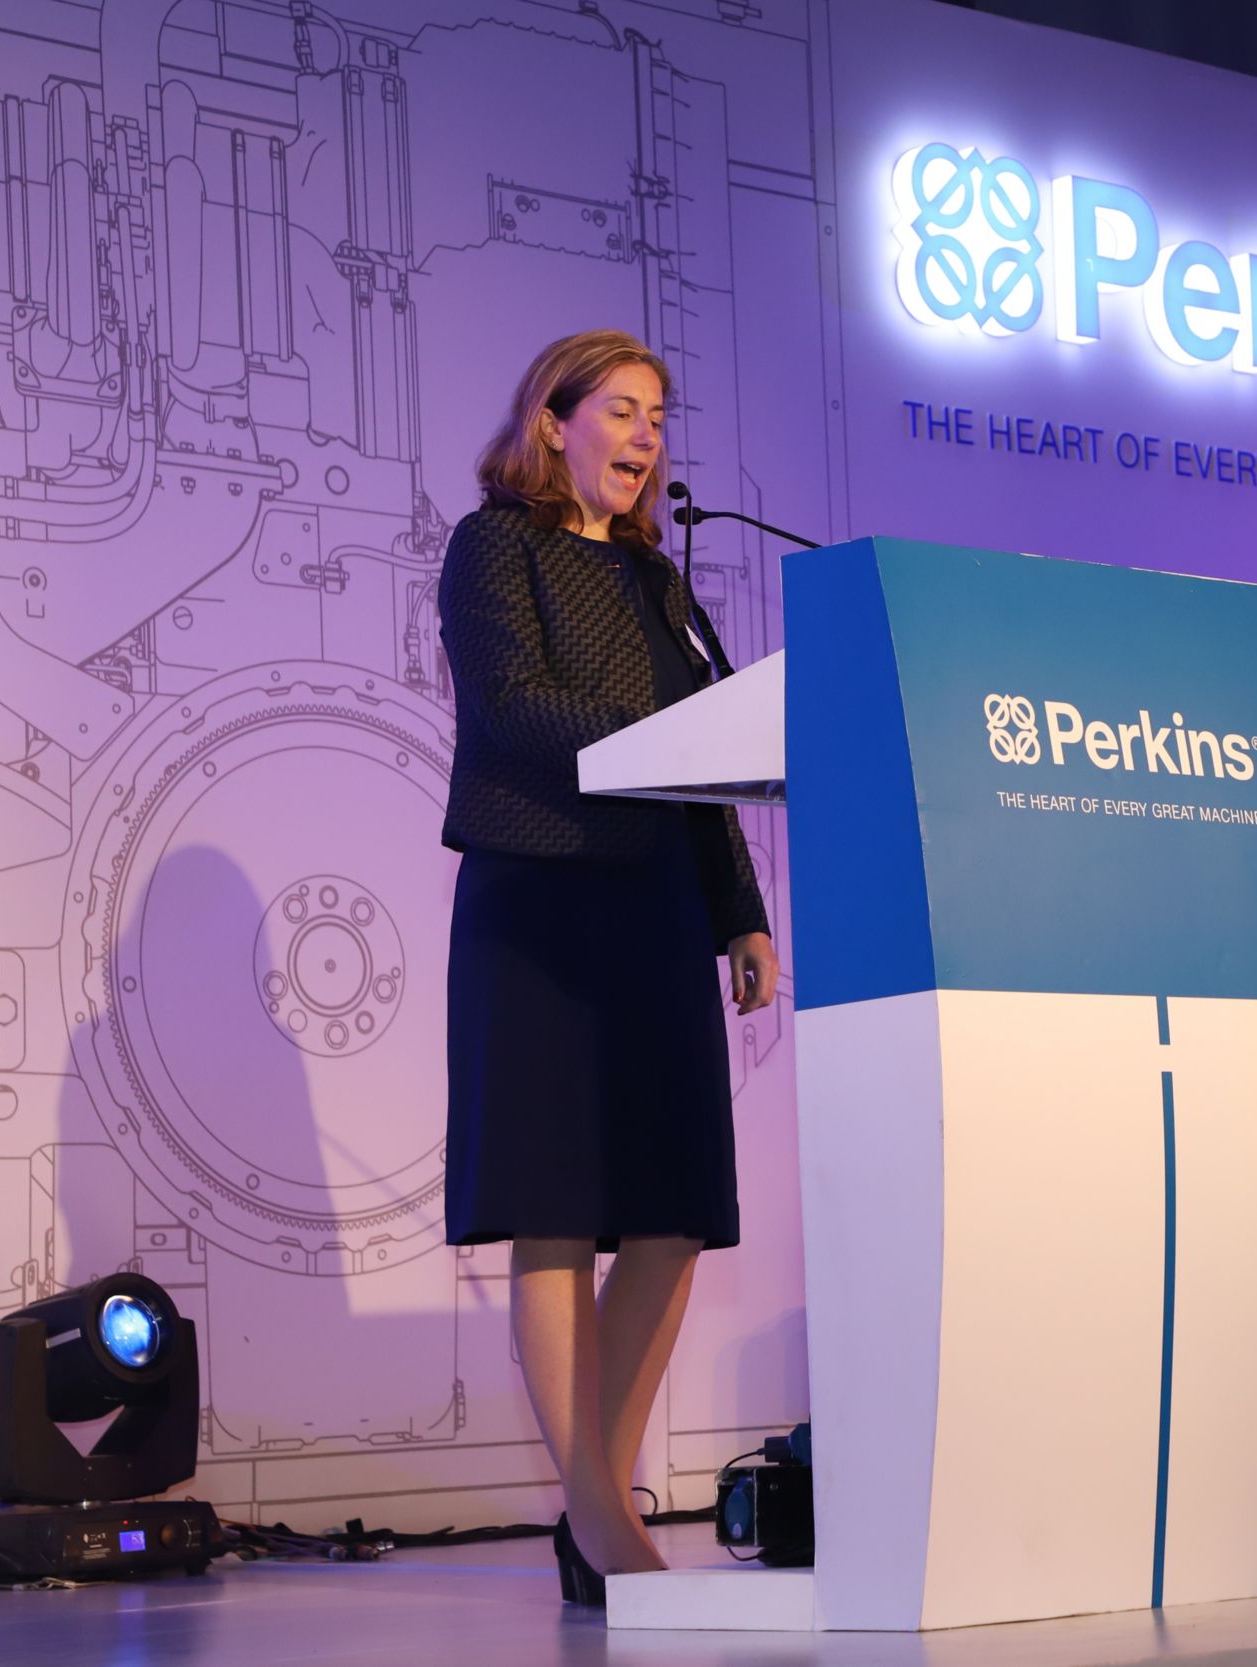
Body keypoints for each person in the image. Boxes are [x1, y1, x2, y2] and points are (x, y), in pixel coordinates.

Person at [437, 329, 778, 1597]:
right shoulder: (494, 547)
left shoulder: (659, 582)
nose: (645, 435)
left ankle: (593, 1504)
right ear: (553, 420)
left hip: (652, 904)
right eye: (622, 409)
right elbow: (514, 709)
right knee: (555, 1210)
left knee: (673, 1212)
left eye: (657, 415)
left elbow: (713, 761)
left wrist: (738, 911)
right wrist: (665, 734)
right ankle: (604, 1522)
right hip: (541, 901)